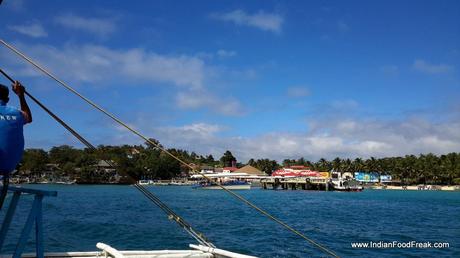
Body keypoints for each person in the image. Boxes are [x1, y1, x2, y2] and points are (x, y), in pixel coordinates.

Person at [0, 81, 32, 209]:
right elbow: (29, 117)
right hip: (8, 168)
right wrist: (21, 95)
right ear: (7, 99)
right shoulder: (17, 113)